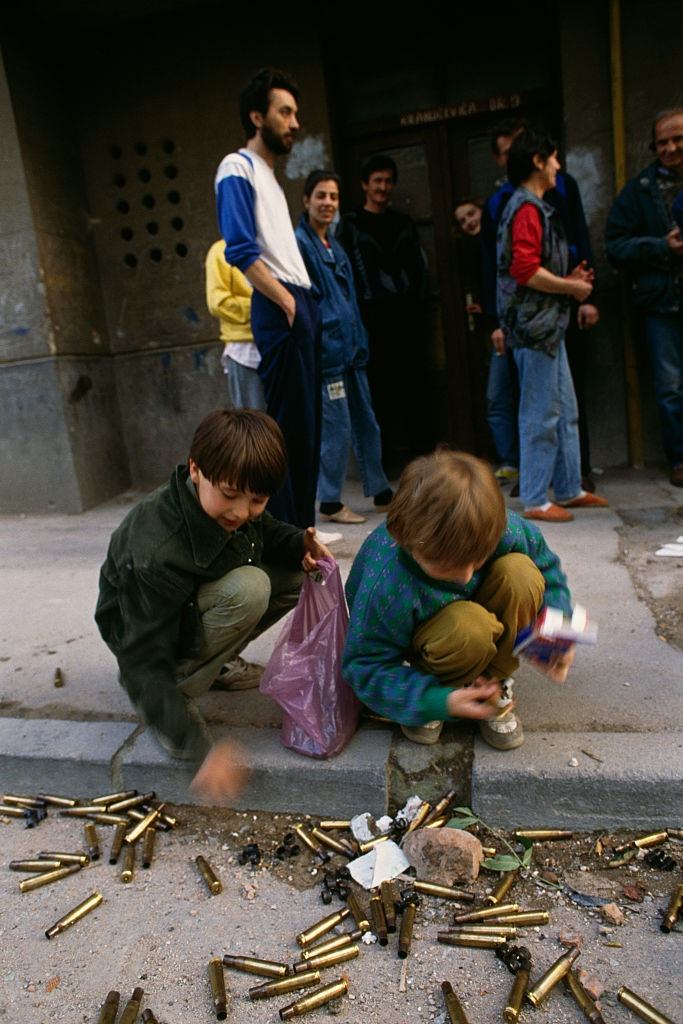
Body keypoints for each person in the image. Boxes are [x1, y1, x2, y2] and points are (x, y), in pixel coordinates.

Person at [95, 409, 331, 802]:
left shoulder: (231, 497)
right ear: (195, 469)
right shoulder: (155, 551)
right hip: (147, 637)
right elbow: (139, 664)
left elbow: (265, 531)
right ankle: (179, 690)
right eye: (229, 495)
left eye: (257, 499)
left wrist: (299, 546)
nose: (241, 512)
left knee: (295, 574)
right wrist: (196, 749)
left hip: (188, 603)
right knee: (251, 588)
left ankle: (214, 663)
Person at [343, 449, 576, 751]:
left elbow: (548, 570)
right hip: (431, 641)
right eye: (447, 564)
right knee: (468, 627)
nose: (466, 577)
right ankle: (442, 686)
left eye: (477, 560)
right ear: (405, 537)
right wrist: (436, 700)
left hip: (474, 624)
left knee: (522, 573)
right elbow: (364, 665)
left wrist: (557, 632)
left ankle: (492, 684)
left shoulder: (499, 526)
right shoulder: (386, 581)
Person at [215, 67, 321, 528]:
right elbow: (239, 247)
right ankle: (282, 535)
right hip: (281, 303)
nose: (294, 122)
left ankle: (301, 530)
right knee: (285, 432)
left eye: (296, 113)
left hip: (296, 301)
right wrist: (286, 300)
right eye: (284, 112)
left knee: (307, 430)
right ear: (258, 117)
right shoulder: (236, 166)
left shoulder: (271, 178)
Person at [496, 130, 609, 522]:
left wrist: (568, 278)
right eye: (554, 159)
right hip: (536, 328)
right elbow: (524, 269)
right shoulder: (526, 208)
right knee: (540, 413)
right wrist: (571, 288)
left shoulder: (535, 207)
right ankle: (535, 498)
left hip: (547, 326)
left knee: (564, 409)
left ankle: (568, 488)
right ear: (538, 162)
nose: (559, 166)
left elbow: (533, 265)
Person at [294, 169, 392, 525]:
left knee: (367, 422)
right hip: (329, 355)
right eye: (320, 196)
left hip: (352, 352)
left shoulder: (334, 245)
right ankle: (331, 502)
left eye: (333, 197)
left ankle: (381, 491)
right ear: (306, 200)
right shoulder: (300, 246)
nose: (327, 203)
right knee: (336, 429)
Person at [338, 154, 431, 474]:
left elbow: (418, 271)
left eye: (388, 181)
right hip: (371, 323)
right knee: (380, 396)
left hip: (407, 321)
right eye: (377, 181)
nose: (383, 187)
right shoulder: (350, 227)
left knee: (416, 392)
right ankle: (387, 466)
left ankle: (424, 463)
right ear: (365, 185)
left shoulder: (403, 223)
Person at [605, 107, 683, 487]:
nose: (669, 147)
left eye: (677, 139)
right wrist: (661, 246)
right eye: (662, 141)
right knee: (671, 386)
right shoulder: (640, 190)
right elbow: (615, 245)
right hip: (662, 303)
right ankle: (681, 459)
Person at [204, 240, 266, 411]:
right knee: (253, 423)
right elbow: (219, 302)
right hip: (246, 349)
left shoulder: (269, 245)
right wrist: (264, 307)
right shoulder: (220, 251)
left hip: (278, 341)